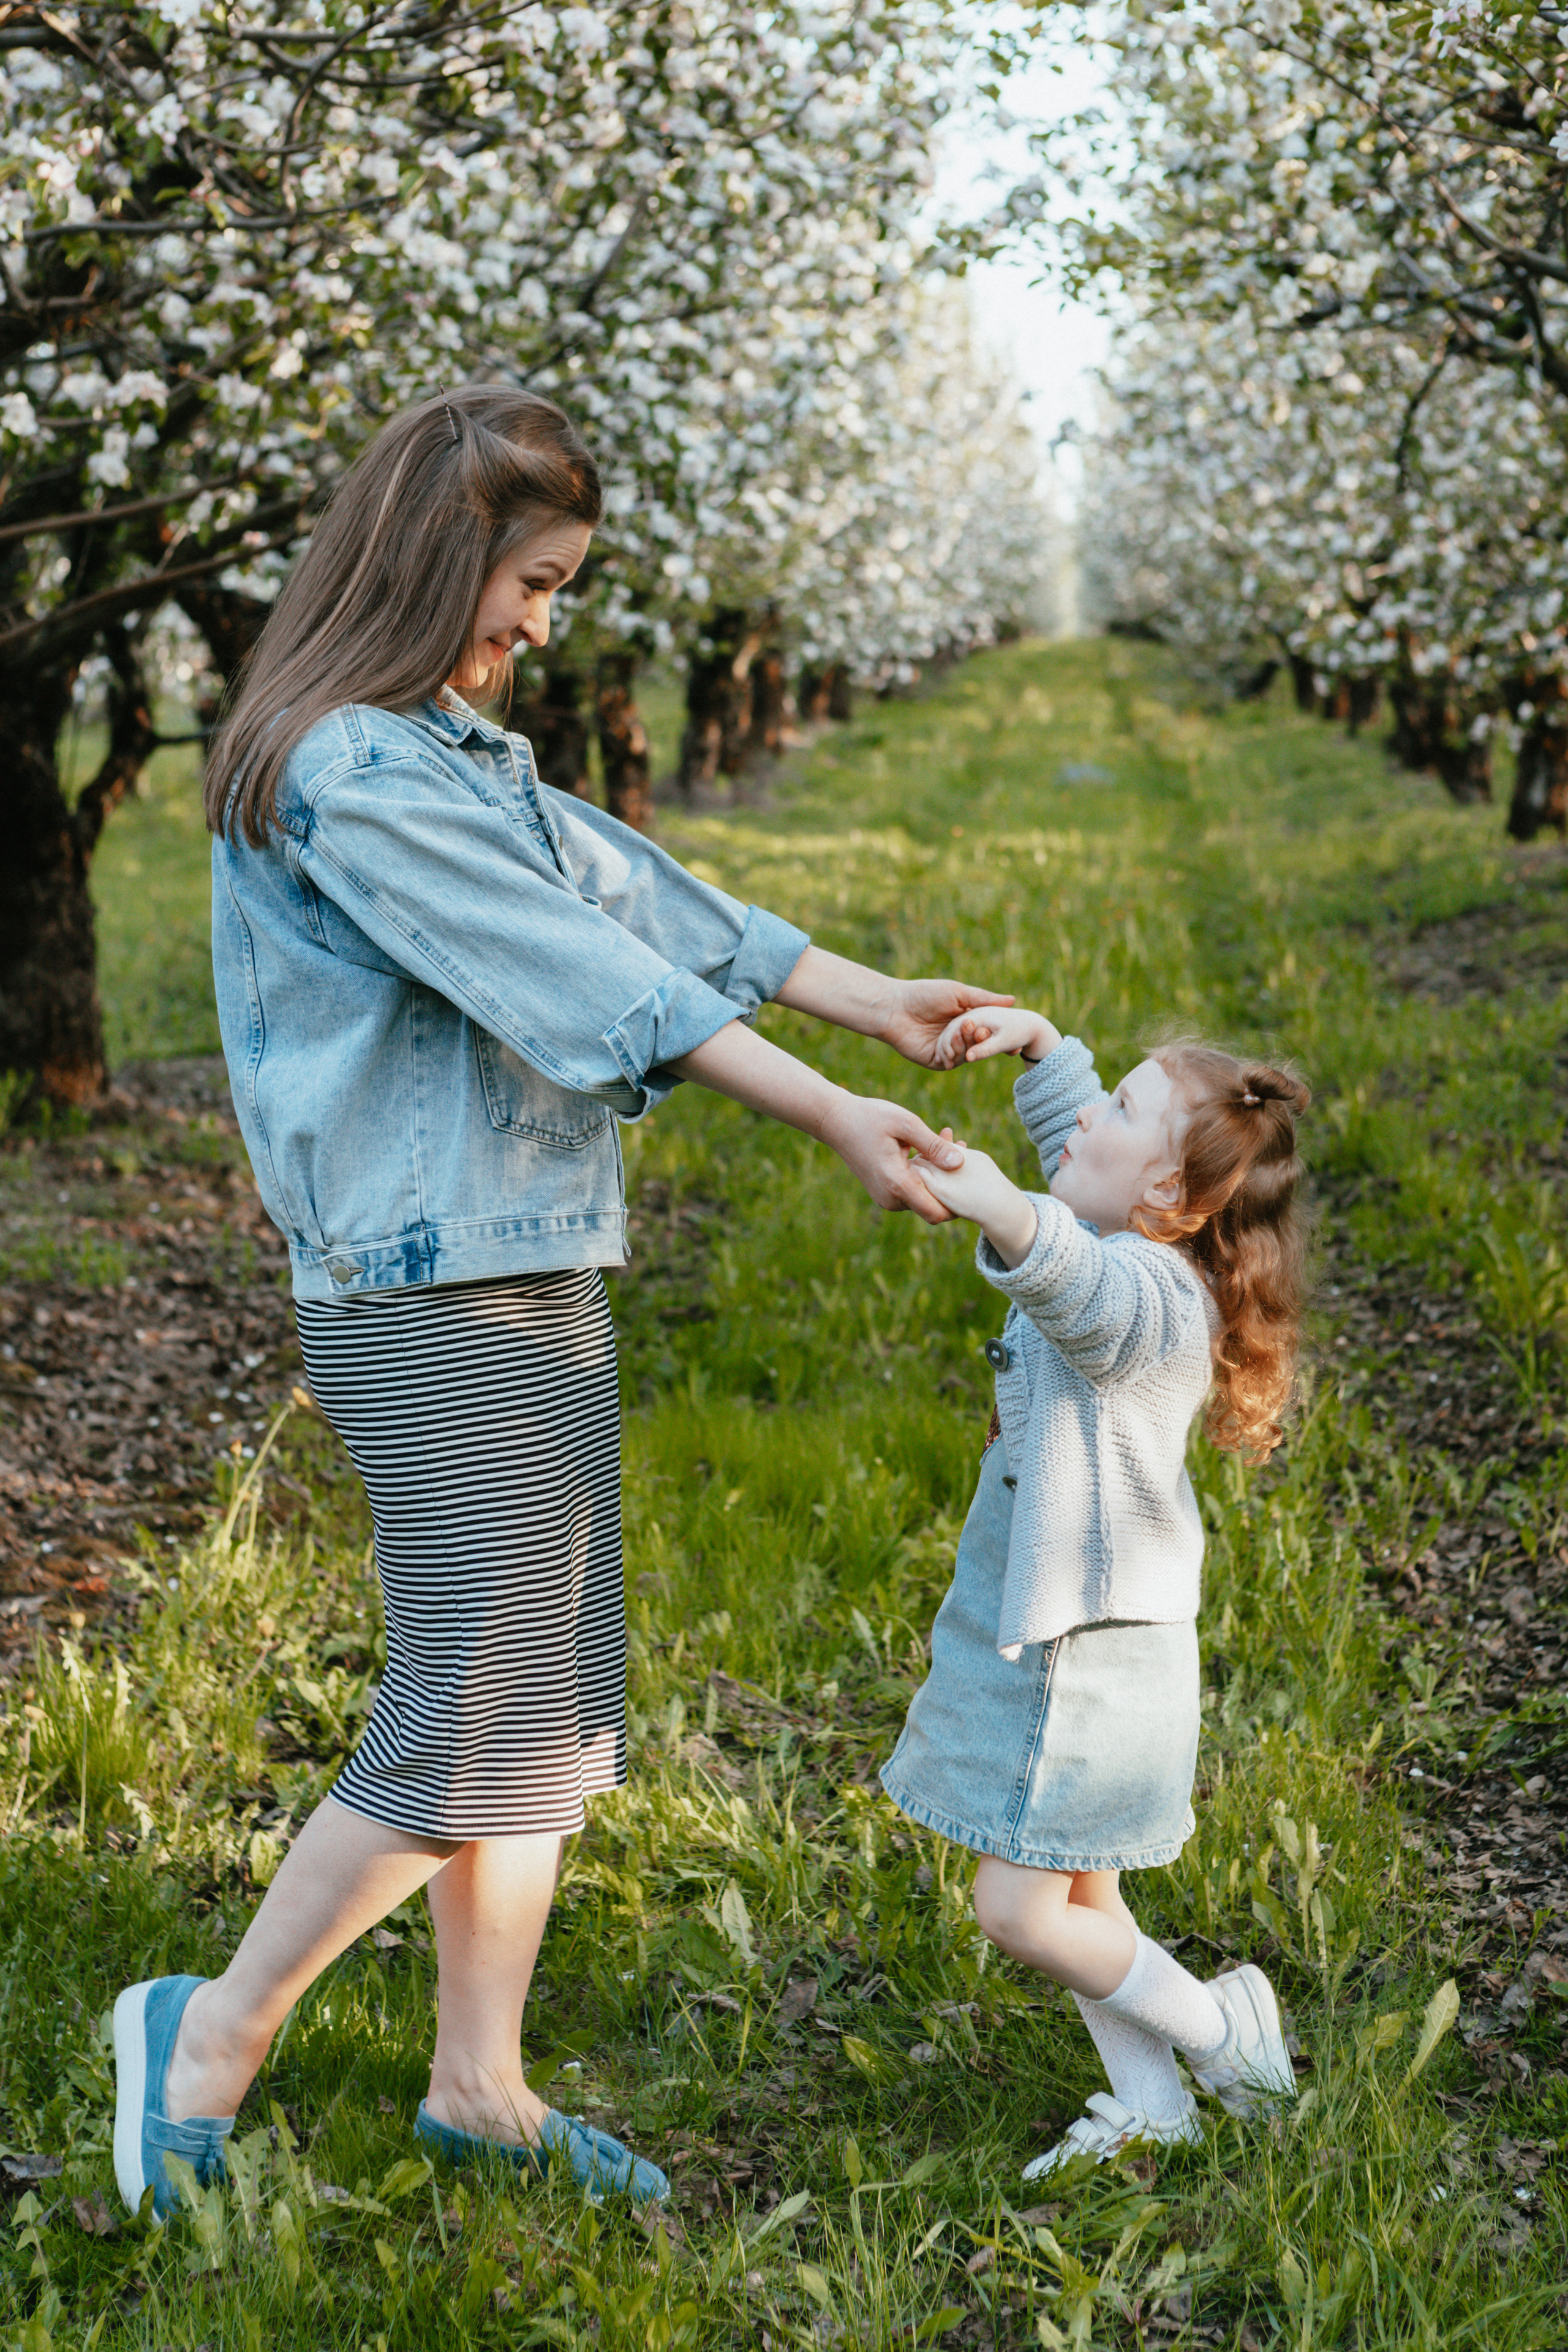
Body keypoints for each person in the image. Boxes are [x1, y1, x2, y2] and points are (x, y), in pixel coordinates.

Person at [111, 384, 1012, 2220]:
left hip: (528, 1267)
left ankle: (482, 2088)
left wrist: (873, 1001)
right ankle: (202, 2036)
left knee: (546, 1706)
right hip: (428, 1287)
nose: (541, 627)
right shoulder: (348, 771)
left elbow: (642, 891)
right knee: (473, 1704)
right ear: (440, 556)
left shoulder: (452, 753)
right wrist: (831, 1105)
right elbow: (574, 971)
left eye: (561, 591)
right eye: (528, 583)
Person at [881, 1001, 1309, 2176]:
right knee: (1083, 1897)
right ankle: (1151, 2102)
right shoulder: (1149, 1231)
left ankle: (1220, 2033)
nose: (1090, 1117)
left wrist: (996, 1204)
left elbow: (1071, 1276)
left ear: (1168, 1199)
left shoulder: (1152, 1303)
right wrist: (1043, 1050)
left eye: (1123, 1106)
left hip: (1086, 1658)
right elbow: (1083, 1157)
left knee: (1018, 1912)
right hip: (1100, 1640)